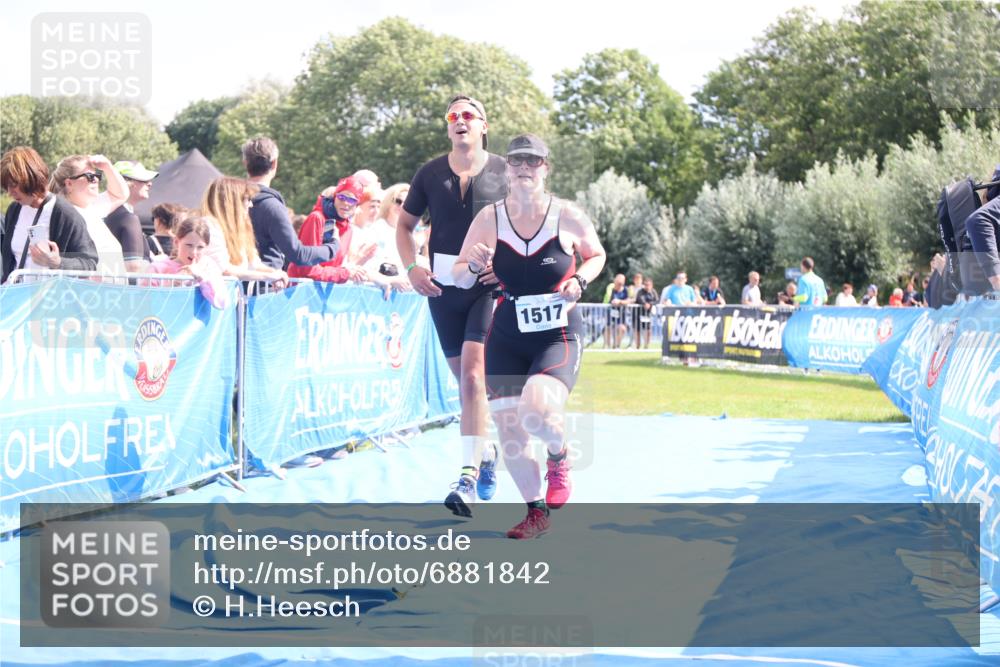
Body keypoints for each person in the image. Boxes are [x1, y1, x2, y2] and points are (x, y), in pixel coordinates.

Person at [452, 134, 606, 538]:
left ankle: (559, 455)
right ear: (507, 169)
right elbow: (458, 274)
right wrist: (473, 264)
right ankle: (535, 511)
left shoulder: (566, 215)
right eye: (517, 161)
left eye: (532, 162)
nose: (524, 167)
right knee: (510, 432)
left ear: (545, 169)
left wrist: (580, 281)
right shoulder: (489, 219)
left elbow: (597, 254)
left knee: (537, 412)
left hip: (556, 334)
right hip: (507, 334)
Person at [396, 94, 508, 515]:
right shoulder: (429, 173)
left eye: (468, 115)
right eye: (453, 116)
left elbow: (527, 227)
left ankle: (464, 476)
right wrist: (412, 267)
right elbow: (405, 226)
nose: (460, 121)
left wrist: (509, 266)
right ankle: (488, 452)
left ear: (484, 125)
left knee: (474, 378)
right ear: (448, 127)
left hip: (484, 288)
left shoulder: (503, 171)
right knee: (465, 386)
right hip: (443, 289)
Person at [1, 146, 97, 283]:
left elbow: (89, 263)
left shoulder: (64, 213)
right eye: (6, 186)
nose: (10, 192)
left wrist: (57, 262)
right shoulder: (14, 210)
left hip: (49, 300)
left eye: (13, 185)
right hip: (17, 298)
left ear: (30, 178)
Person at [243, 136, 337, 270]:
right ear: (275, 163)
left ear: (245, 163)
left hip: (232, 285)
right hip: (266, 285)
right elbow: (298, 254)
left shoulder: (228, 200)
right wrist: (332, 247)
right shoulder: (273, 207)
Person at [49, 154, 128, 275]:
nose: (96, 180)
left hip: (110, 290)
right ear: (69, 183)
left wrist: (107, 167)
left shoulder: (91, 208)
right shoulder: (61, 214)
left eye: (97, 175)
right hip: (87, 290)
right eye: (90, 176)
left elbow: (121, 195)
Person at [201, 176, 288, 284]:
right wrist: (269, 276)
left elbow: (254, 265)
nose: (251, 205)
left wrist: (277, 274)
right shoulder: (209, 227)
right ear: (232, 202)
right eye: (248, 199)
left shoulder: (240, 230)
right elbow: (225, 270)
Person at [288, 177, 368, 283]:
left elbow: (335, 267)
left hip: (325, 293)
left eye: (352, 200)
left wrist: (352, 270)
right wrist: (345, 273)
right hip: (301, 291)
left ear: (356, 205)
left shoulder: (348, 228)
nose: (346, 203)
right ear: (334, 197)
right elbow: (306, 269)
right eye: (342, 197)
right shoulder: (317, 218)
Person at [146, 216, 229, 309]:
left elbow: (223, 303)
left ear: (206, 247)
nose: (194, 252)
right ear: (176, 242)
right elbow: (147, 304)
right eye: (189, 245)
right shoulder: (157, 268)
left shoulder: (208, 266)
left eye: (200, 247)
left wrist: (202, 278)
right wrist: (176, 282)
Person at [106, 160, 157, 271]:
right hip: (129, 286)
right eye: (143, 179)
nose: (150, 183)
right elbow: (135, 267)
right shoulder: (128, 218)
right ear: (126, 182)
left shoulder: (106, 212)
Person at [602, 273, 629, 349]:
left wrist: (620, 302)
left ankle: (616, 345)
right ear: (615, 281)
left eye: (621, 281)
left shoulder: (625, 290)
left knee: (622, 329)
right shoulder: (611, 288)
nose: (620, 283)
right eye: (618, 281)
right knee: (608, 328)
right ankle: (608, 346)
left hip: (621, 314)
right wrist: (613, 301)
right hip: (610, 312)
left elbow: (629, 300)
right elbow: (608, 298)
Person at [634, 277, 658, 349]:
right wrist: (644, 303)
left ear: (652, 285)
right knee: (637, 330)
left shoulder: (653, 292)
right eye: (646, 285)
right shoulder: (640, 291)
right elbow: (639, 298)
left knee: (648, 330)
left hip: (648, 314)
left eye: (649, 285)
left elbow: (657, 300)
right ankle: (637, 346)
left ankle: (646, 346)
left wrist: (650, 304)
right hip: (638, 314)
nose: (647, 286)